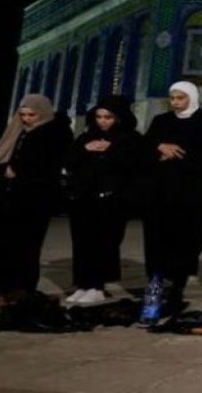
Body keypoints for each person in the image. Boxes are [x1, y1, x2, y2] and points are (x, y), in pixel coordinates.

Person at [0, 94, 73, 303]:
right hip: (5, 196)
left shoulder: (55, 132)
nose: (26, 119)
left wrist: (20, 172)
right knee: (0, 242)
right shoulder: (17, 129)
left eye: (32, 115)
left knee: (26, 244)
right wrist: (5, 171)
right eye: (23, 114)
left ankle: (20, 286)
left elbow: (51, 165)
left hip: (34, 198)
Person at [140, 81, 202, 311]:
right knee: (156, 240)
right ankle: (155, 290)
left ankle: (176, 289)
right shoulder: (161, 121)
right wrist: (160, 147)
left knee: (185, 241)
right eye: (172, 98)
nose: (175, 102)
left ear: (192, 98)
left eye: (180, 98)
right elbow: (144, 147)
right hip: (159, 193)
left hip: (189, 194)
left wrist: (176, 157)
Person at [64, 95, 141, 304]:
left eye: (108, 117)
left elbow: (135, 167)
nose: (102, 121)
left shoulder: (131, 138)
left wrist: (111, 150)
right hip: (83, 199)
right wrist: (85, 149)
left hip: (112, 201)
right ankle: (82, 284)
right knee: (81, 242)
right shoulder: (86, 137)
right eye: (99, 117)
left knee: (104, 243)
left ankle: (97, 286)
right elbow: (69, 161)